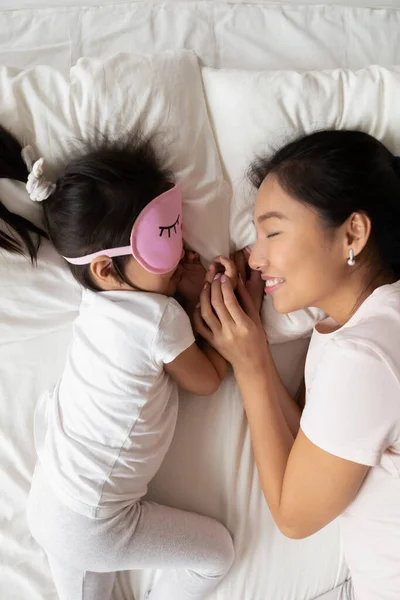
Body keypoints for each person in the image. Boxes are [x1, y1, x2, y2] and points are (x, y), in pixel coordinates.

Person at [0, 127, 235, 600]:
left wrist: (171, 284)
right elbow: (208, 380)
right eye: (163, 244)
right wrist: (210, 301)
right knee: (217, 556)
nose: (181, 251)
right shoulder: (159, 320)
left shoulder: (95, 305)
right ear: (106, 269)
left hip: (52, 499)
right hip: (95, 522)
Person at [195, 130, 400, 600]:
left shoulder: (365, 356)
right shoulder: (357, 327)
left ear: (352, 233)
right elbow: (312, 440)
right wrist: (255, 351)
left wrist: (248, 367)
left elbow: (294, 516)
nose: (256, 256)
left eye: (272, 231)